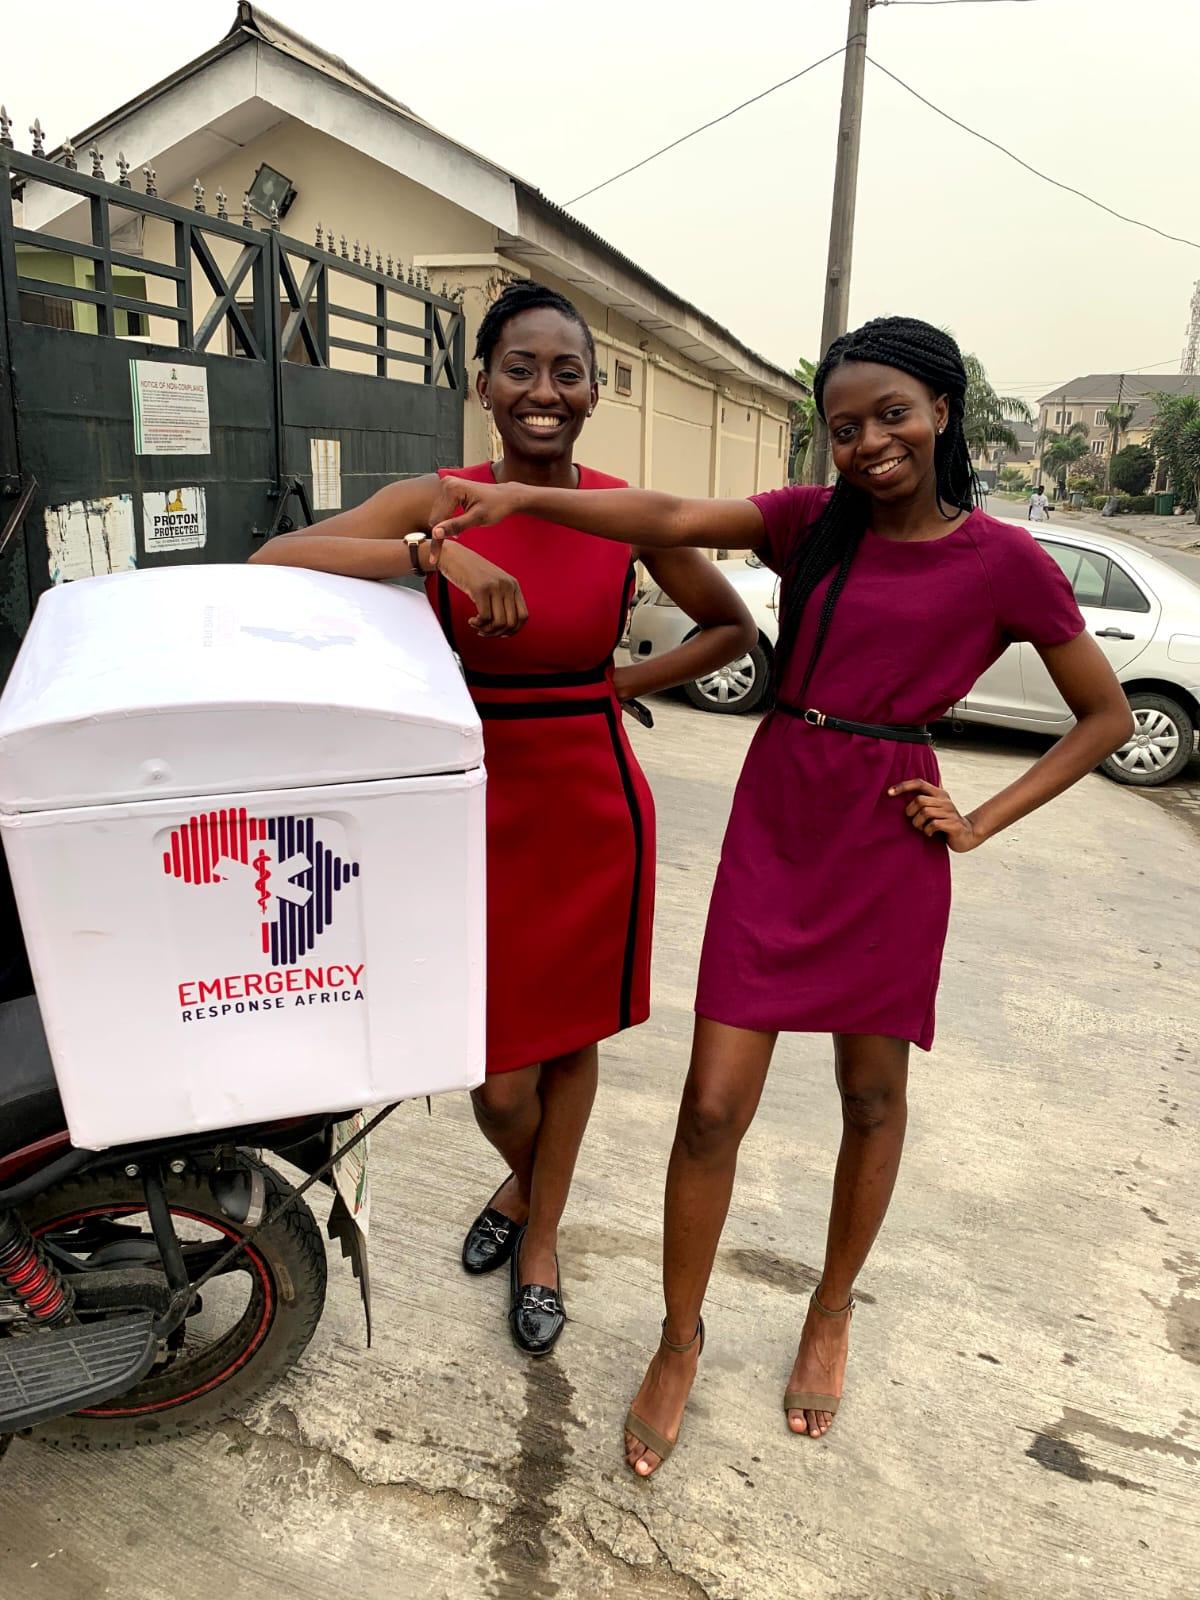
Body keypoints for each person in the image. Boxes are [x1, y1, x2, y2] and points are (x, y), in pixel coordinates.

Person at [426, 316, 1133, 1472]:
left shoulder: (1005, 560)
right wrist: (527, 504)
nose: (868, 443)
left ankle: (831, 1307)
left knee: (869, 1096)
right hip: (782, 809)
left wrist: (982, 818)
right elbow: (663, 520)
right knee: (710, 1108)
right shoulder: (812, 524)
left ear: (942, 412)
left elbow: (1102, 716)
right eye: (843, 426)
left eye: (891, 414)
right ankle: (679, 1338)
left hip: (890, 827)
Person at [250, 280, 755, 1357]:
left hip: (588, 802)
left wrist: (621, 686)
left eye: (567, 372)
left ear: (595, 393)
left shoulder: (621, 509)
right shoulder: (435, 499)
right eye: (520, 368)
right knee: (493, 1073)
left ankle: (539, 1234)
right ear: (480, 385)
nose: (543, 389)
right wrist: (430, 553)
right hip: (460, 799)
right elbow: (269, 567)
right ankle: (527, 1187)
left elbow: (731, 627)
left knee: (569, 1040)